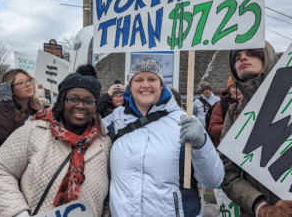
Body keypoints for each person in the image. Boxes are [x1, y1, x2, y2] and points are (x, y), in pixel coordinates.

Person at [103, 58, 224, 217]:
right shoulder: (113, 122)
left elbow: (213, 180)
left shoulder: (184, 121)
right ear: (130, 87)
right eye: (138, 79)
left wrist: (201, 144)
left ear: (161, 85)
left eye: (152, 79)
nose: (145, 84)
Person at [0, 65, 111, 217]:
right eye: (73, 99)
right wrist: (18, 213)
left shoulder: (104, 143)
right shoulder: (35, 131)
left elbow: (110, 197)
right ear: (62, 101)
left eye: (88, 101)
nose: (80, 105)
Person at [220, 43, 292, 217]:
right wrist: (261, 208)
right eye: (236, 56)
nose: (243, 58)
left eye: (252, 53)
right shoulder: (234, 113)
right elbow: (227, 173)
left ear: (267, 57)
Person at [0, 69, 42, 160]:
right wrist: (6, 102)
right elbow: (2, 136)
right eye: (20, 83)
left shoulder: (39, 107)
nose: (28, 84)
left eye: (29, 80)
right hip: (6, 166)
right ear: (9, 89)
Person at [208, 77, 243, 147]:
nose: (237, 90)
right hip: (227, 147)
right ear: (229, 89)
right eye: (233, 86)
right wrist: (231, 126)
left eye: (240, 86)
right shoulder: (221, 105)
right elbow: (212, 129)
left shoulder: (253, 102)